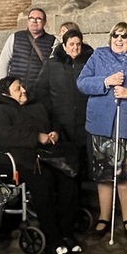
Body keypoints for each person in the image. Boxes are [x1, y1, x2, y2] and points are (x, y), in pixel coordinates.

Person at [0, 76, 79, 254]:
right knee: (44, 180)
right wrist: (35, 137)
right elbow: (0, 135)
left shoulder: (36, 106)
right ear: (5, 93)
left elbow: (53, 122)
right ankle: (53, 239)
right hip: (17, 160)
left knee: (68, 177)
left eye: (22, 86)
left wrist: (54, 133)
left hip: (44, 156)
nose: (23, 90)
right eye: (18, 88)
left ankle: (67, 232)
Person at [77, 22, 127, 240]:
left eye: (125, 36)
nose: (119, 39)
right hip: (101, 125)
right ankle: (104, 217)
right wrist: (106, 81)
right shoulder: (98, 56)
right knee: (103, 175)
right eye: (116, 35)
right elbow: (82, 83)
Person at [34, 28, 94, 179]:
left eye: (78, 44)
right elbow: (41, 89)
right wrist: (50, 110)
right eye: (71, 44)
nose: (75, 48)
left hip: (85, 119)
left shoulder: (90, 63)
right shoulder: (52, 64)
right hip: (61, 121)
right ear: (64, 45)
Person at [0, 7, 56, 91]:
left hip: (38, 92)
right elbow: (3, 63)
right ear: (28, 21)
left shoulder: (52, 41)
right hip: (16, 91)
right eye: (31, 18)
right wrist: (2, 87)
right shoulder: (15, 37)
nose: (34, 21)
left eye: (38, 19)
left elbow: (54, 69)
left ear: (44, 22)